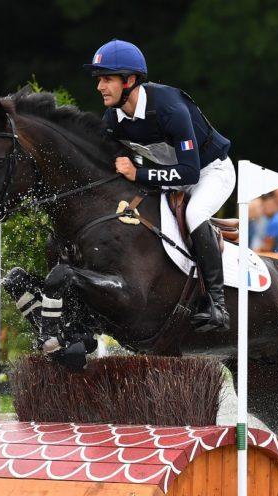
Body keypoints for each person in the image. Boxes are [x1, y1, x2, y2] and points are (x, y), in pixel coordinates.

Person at [88, 39, 234, 331]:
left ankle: (217, 305)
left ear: (129, 80)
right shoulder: (112, 118)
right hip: (169, 177)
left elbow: (190, 173)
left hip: (210, 173)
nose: (99, 87)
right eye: (99, 79)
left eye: (107, 79)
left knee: (194, 214)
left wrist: (139, 175)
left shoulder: (169, 109)